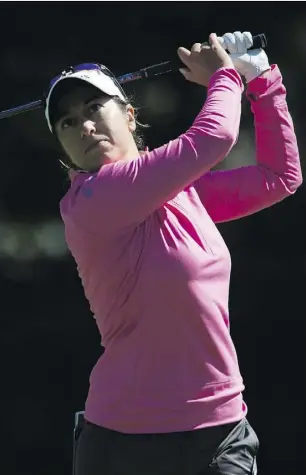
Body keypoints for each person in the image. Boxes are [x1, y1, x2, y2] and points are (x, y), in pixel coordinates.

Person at [44, 32, 302, 475]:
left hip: (219, 433)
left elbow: (280, 176)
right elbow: (215, 137)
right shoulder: (91, 202)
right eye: (67, 123)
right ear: (64, 151)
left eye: (93, 108)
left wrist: (262, 79)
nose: (84, 125)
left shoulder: (182, 192)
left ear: (128, 115)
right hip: (123, 443)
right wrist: (224, 74)